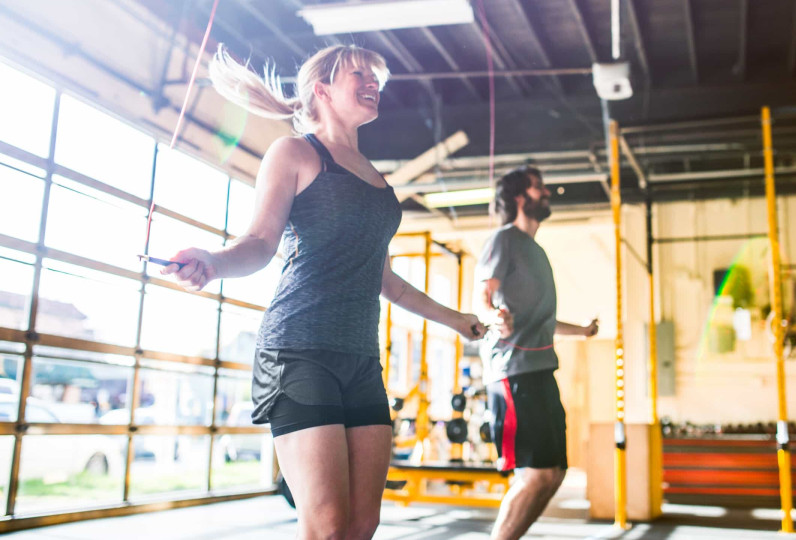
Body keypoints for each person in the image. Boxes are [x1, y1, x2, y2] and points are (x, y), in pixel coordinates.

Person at [161, 44, 486, 540]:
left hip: (360, 358)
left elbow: (387, 282)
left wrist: (456, 320)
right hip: (299, 351)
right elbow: (259, 242)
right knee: (328, 527)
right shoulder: (294, 152)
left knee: (362, 524)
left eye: (376, 75)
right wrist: (212, 262)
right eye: (360, 73)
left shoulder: (377, 179)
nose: (373, 81)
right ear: (323, 89)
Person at [476, 165, 599, 540]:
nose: (546, 193)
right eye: (538, 187)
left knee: (554, 474)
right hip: (513, 373)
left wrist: (582, 331)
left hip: (542, 370)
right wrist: (494, 317)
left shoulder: (537, 252)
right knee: (534, 475)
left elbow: (543, 320)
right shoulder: (504, 240)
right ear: (519, 198)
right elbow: (483, 296)